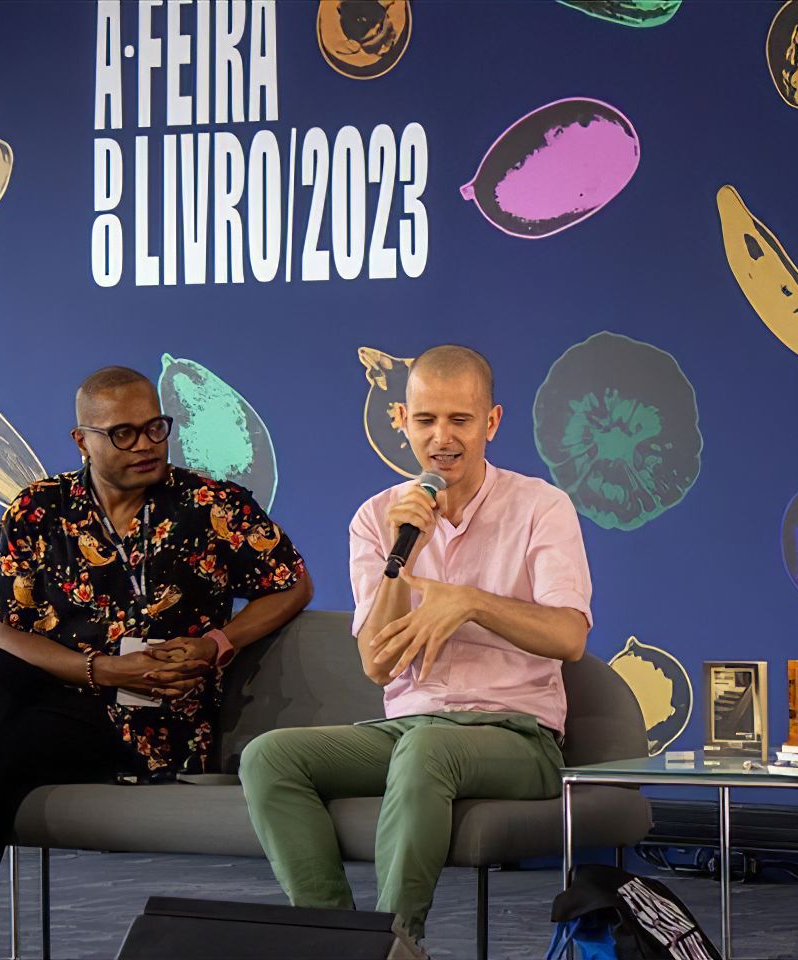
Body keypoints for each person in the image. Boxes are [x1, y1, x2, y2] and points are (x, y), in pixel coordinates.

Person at [0, 366, 312, 960]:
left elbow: (292, 585)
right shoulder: (37, 510)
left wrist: (216, 644)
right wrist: (102, 669)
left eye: (155, 427)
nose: (147, 444)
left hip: (152, 731)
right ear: (83, 441)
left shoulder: (212, 505)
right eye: (123, 434)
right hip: (62, 709)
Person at [241, 345, 592, 942]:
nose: (442, 438)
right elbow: (378, 665)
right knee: (269, 757)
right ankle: (335, 941)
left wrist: (471, 603)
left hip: (518, 736)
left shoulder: (541, 506)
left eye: (460, 420)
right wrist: (402, 563)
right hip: (411, 729)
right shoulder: (378, 519)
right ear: (401, 421)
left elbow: (570, 636)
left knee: (427, 750)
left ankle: (395, 944)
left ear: (491, 422)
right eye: (426, 420)